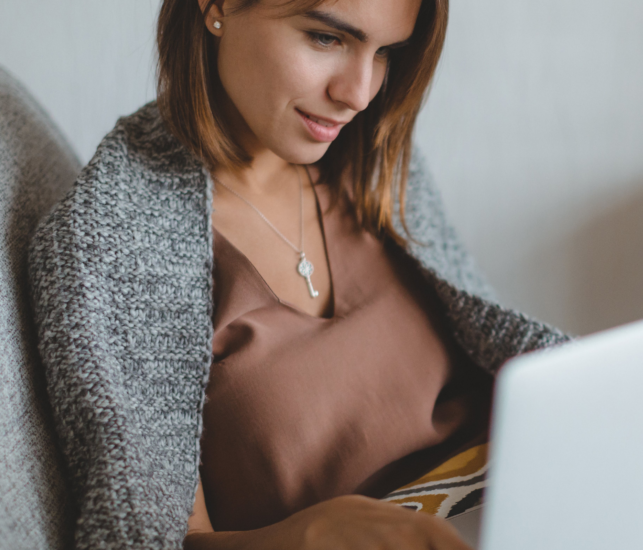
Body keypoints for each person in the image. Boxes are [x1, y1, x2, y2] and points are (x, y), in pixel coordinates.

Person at [28, 0, 569, 548]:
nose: (358, 94)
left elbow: (495, 345)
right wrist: (305, 537)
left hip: (543, 488)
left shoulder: (373, 158)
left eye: (385, 52)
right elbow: (144, 538)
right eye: (326, 39)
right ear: (216, 8)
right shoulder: (112, 238)